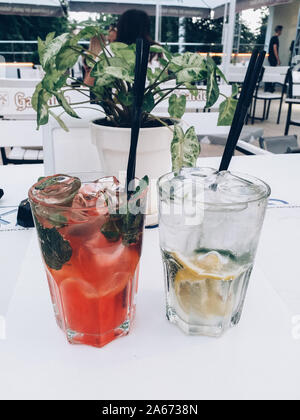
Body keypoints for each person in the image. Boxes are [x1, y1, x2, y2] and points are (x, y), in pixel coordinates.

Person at [265, 25, 283, 92]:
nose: (281, 32)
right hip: (273, 58)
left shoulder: (273, 38)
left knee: (271, 71)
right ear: (279, 30)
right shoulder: (275, 38)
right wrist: (278, 59)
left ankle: (269, 87)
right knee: (272, 72)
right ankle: (269, 87)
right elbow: (275, 49)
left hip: (271, 57)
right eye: (281, 31)